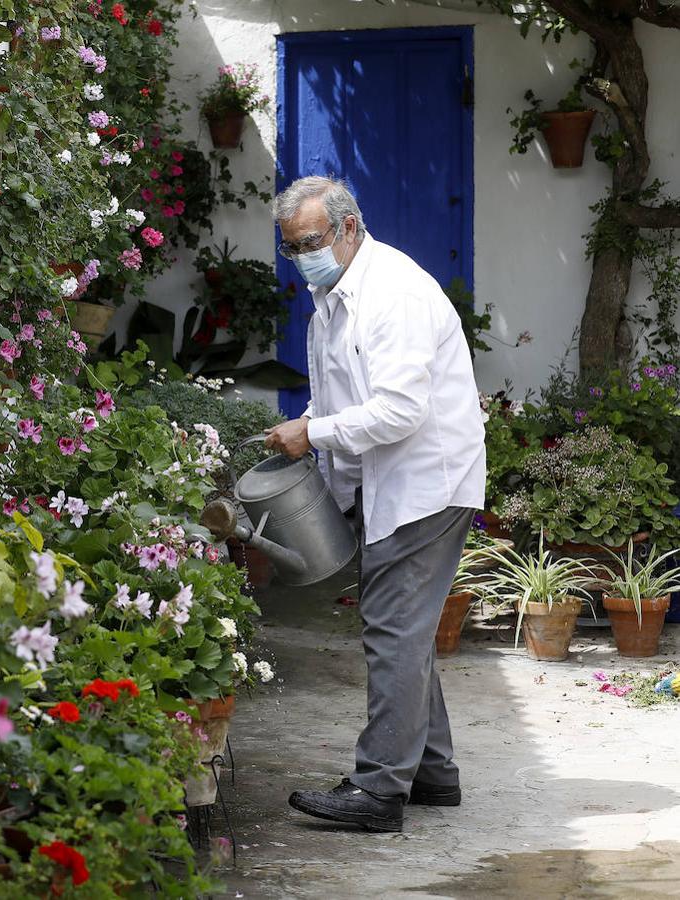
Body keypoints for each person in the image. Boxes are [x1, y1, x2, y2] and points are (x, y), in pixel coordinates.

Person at [263, 175, 485, 833]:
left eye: (310, 242)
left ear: (349, 227)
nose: (303, 257)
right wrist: (318, 442)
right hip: (390, 483)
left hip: (425, 482)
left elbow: (399, 411)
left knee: (391, 627)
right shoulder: (335, 295)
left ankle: (380, 790)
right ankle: (432, 773)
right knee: (403, 627)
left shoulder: (395, 294)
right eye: (292, 247)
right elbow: (342, 402)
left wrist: (314, 432)